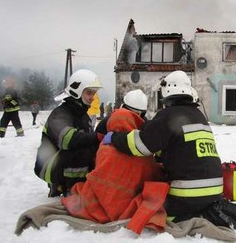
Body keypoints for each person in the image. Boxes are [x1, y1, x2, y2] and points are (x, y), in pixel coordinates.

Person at [103, 70, 236, 229]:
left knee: (154, 211)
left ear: (166, 93)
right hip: (214, 191)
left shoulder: (168, 115)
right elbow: (180, 148)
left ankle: (199, 214)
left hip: (187, 194)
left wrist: (114, 138)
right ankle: (207, 206)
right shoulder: (199, 116)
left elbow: (141, 145)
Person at [61, 90, 168, 234]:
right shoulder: (144, 139)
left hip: (100, 187)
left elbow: (97, 158)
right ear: (142, 114)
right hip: (129, 198)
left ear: (123, 106)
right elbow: (151, 170)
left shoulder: (107, 126)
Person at [34, 69, 103, 197]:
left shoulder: (83, 115)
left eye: (93, 93)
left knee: (96, 151)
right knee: (82, 151)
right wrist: (98, 137)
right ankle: (74, 194)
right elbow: (67, 140)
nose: (93, 98)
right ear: (77, 91)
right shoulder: (60, 114)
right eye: (89, 93)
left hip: (60, 162)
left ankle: (71, 185)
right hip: (47, 166)